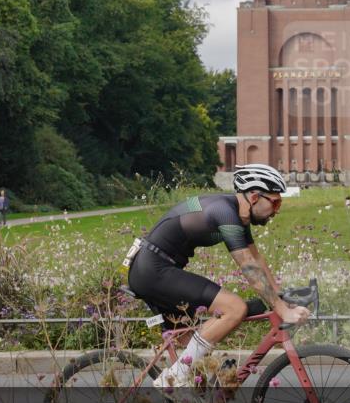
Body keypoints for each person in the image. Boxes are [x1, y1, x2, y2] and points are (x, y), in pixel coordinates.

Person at [125, 164, 310, 391]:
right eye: (275, 202)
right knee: (234, 308)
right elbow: (247, 266)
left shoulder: (237, 214)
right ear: (254, 197)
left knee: (199, 352)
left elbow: (256, 258)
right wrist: (281, 310)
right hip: (153, 271)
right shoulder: (224, 213)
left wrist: (279, 297)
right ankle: (172, 377)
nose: (277, 210)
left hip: (154, 269)